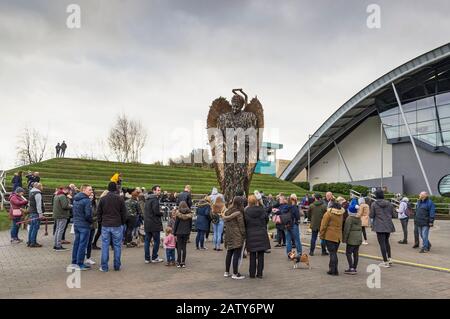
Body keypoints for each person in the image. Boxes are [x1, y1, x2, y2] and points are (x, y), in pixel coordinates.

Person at [97, 182, 127, 272]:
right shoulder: (120, 199)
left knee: (105, 245)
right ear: (116, 189)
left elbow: (99, 212)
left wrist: (101, 222)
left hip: (106, 224)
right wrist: (122, 222)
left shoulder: (103, 199)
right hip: (117, 224)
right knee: (117, 245)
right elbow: (124, 213)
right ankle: (117, 266)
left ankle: (104, 266)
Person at [244, 194, 270, 279]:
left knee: (252, 255)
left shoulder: (246, 211)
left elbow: (245, 223)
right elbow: (266, 220)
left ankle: (252, 273)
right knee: (261, 255)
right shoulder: (262, 210)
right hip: (261, 233)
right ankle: (260, 273)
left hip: (251, 234)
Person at [370, 189, 395, 268]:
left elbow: (371, 215)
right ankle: (389, 258)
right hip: (388, 224)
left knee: (382, 244)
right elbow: (394, 214)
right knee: (387, 242)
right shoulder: (389, 203)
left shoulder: (374, 204)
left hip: (379, 225)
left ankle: (385, 261)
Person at [70, 185, 94, 270]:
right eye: (89, 190)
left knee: (77, 243)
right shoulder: (86, 200)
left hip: (77, 223)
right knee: (82, 244)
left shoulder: (76, 199)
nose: (91, 191)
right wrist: (91, 221)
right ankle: (79, 263)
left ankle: (74, 262)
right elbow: (88, 214)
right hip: (84, 224)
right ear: (84, 190)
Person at [223, 196, 246, 280]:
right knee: (236, 254)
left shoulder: (227, 211)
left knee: (229, 253)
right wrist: (244, 235)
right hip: (237, 235)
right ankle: (235, 273)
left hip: (229, 234)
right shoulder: (239, 213)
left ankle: (226, 271)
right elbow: (241, 226)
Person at [320, 200, 345, 276]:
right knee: (334, 253)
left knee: (332, 253)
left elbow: (323, 225)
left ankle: (333, 270)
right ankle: (334, 270)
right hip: (338, 236)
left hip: (329, 236)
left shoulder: (328, 214)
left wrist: (321, 234)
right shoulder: (341, 214)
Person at [144, 185, 164, 263]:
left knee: (147, 241)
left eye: (160, 190)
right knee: (156, 240)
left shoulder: (148, 199)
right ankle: (154, 257)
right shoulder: (155, 199)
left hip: (147, 223)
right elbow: (156, 212)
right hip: (154, 223)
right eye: (158, 190)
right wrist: (161, 213)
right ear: (154, 191)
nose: (159, 191)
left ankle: (147, 258)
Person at [343, 205, 362, 275]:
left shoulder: (349, 218)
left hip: (351, 238)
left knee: (348, 253)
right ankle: (354, 267)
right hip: (358, 237)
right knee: (356, 253)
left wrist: (344, 239)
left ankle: (351, 268)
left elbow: (347, 229)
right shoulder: (358, 218)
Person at [173, 201, 193, 268]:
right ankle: (183, 262)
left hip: (179, 232)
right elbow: (190, 224)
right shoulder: (189, 214)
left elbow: (176, 224)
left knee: (179, 247)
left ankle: (178, 262)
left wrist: (174, 232)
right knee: (184, 247)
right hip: (186, 232)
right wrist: (189, 231)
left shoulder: (178, 214)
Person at [52, 186, 72, 251]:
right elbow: (65, 206)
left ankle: (56, 245)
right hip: (62, 215)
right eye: (69, 191)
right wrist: (71, 206)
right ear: (66, 190)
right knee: (60, 231)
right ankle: (58, 246)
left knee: (58, 230)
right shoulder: (62, 196)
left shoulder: (57, 195)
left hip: (57, 215)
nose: (70, 192)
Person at [284, 194, 302, 258]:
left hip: (286, 225)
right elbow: (297, 216)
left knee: (288, 240)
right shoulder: (294, 207)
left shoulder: (285, 207)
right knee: (297, 240)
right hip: (293, 225)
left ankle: (289, 254)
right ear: (294, 199)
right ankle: (299, 254)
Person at [27, 183, 45, 248]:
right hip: (36, 213)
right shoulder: (37, 193)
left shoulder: (31, 192)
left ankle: (29, 241)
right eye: (42, 186)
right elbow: (38, 205)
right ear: (39, 187)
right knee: (35, 228)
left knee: (31, 228)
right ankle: (33, 242)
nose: (43, 187)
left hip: (32, 212)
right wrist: (40, 214)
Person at [85, 190, 98, 266]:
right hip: (86, 225)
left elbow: (98, 213)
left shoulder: (95, 204)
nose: (91, 197)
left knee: (89, 242)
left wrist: (94, 218)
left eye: (92, 196)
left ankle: (88, 258)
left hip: (93, 225)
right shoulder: (85, 203)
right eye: (90, 195)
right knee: (84, 242)